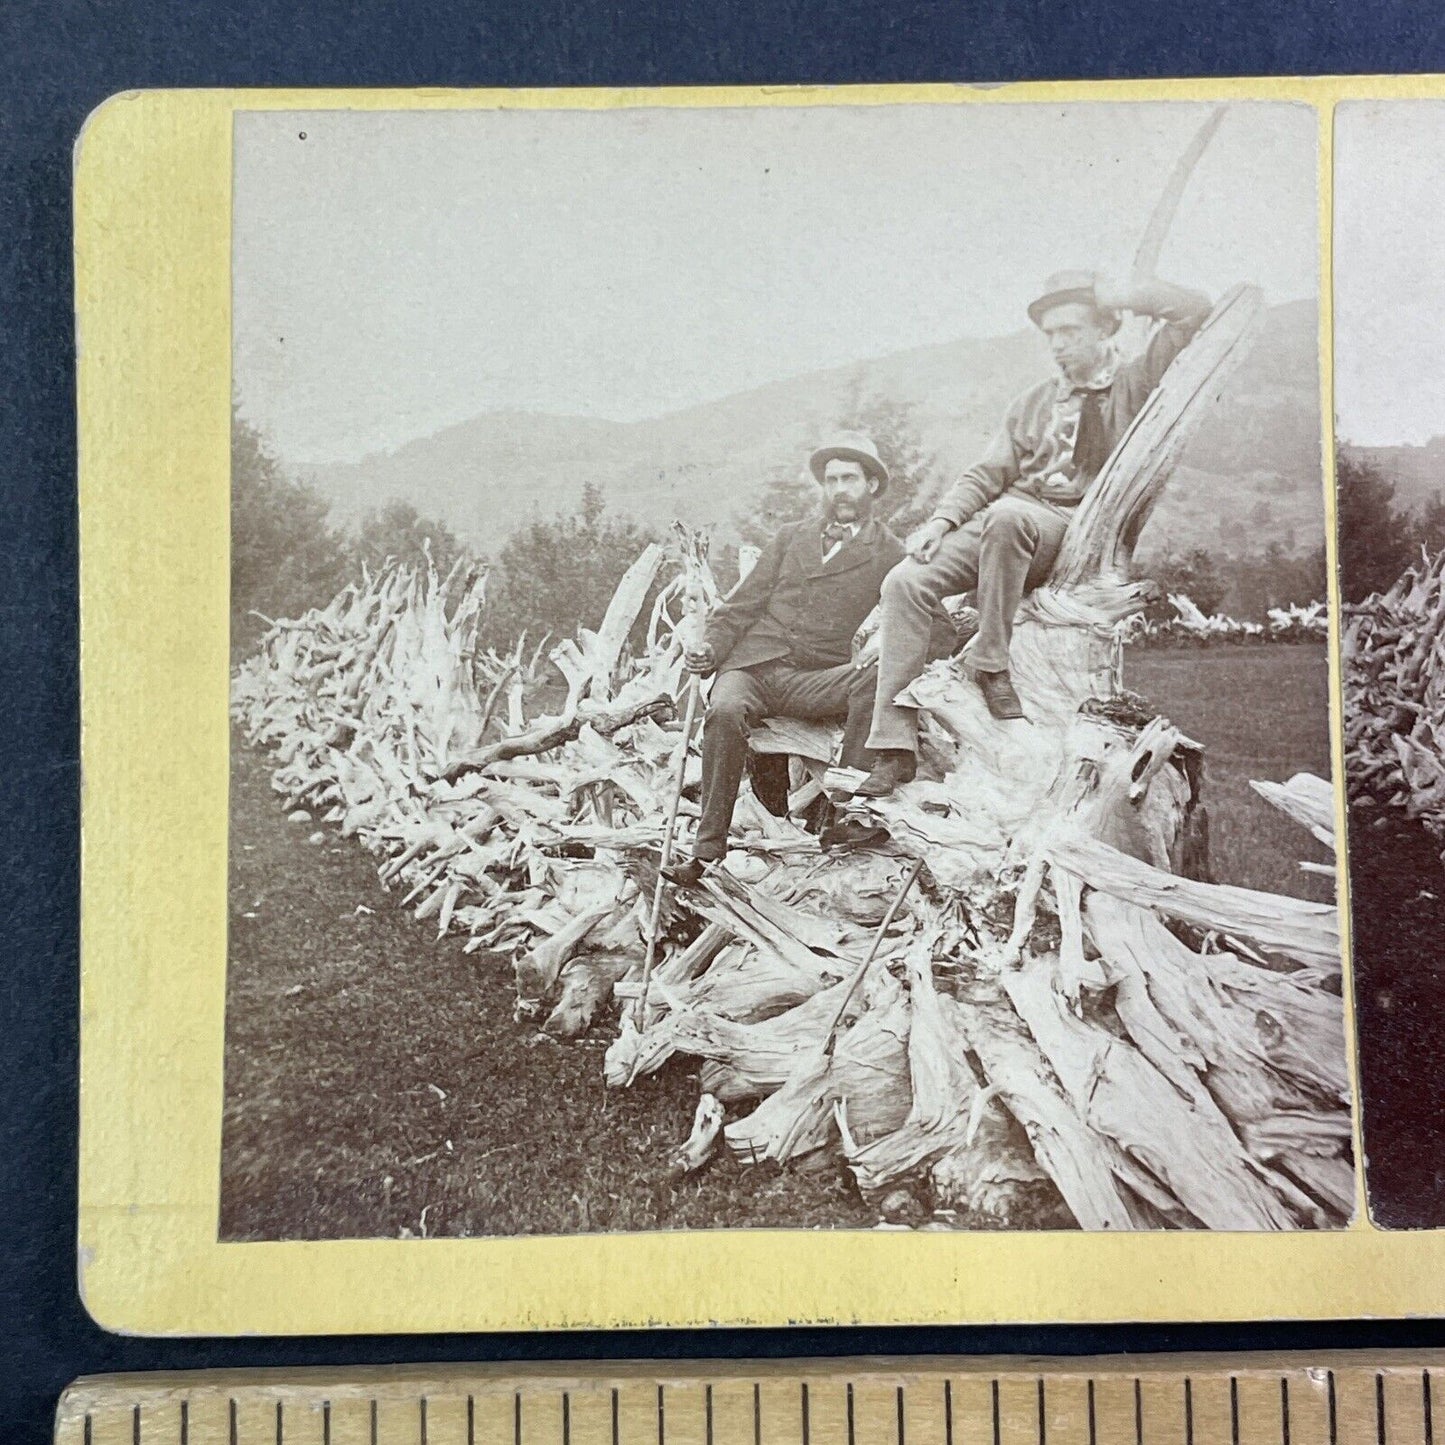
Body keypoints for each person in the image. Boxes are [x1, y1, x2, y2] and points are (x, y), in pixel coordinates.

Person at [856, 270, 1213, 798]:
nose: (1059, 344)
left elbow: (1193, 309)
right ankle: (892, 748)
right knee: (905, 581)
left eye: (1070, 330)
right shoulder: (1034, 402)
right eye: (1050, 335)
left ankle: (989, 662)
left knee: (1007, 520)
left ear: (1105, 329)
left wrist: (1115, 294)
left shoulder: (1136, 384)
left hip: (1072, 531)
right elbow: (988, 474)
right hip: (1007, 520)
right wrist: (940, 522)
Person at [665, 433, 905, 886]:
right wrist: (710, 650)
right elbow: (739, 607)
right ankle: (706, 851)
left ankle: (851, 812)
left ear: (872, 485)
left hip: (814, 679)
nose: (839, 489)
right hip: (751, 667)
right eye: (831, 480)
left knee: (875, 675)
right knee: (725, 710)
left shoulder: (890, 553)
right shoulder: (790, 537)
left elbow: (921, 611)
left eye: (850, 479)